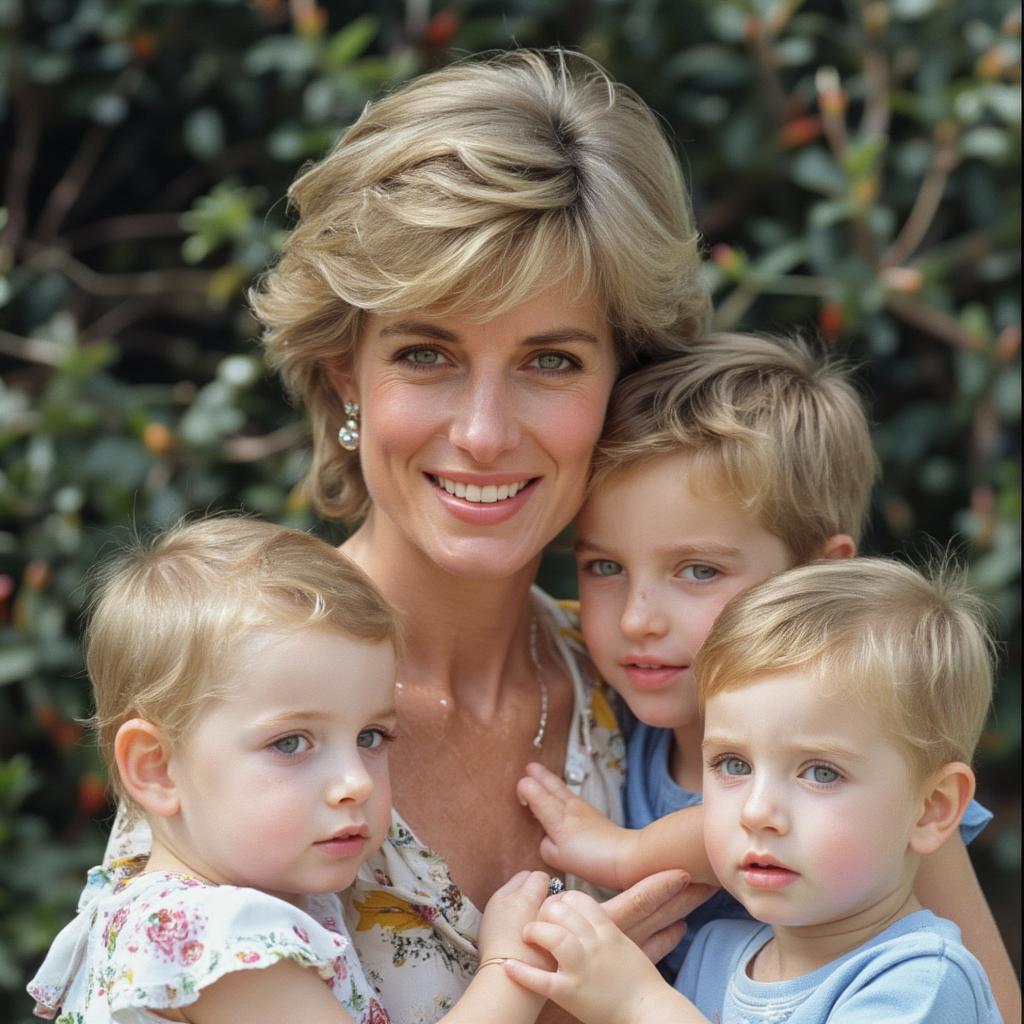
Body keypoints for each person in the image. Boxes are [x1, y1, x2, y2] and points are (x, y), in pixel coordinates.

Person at [99, 49, 715, 1024]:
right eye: (426, 352)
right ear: (347, 373)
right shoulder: (241, 712)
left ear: (618, 384)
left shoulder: (656, 687)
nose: (481, 431)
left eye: (549, 359)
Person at [516, 333, 1017, 1013]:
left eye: (698, 571)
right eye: (606, 566)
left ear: (820, 575)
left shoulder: (886, 776)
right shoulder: (607, 717)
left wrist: (630, 854)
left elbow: (991, 999)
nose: (638, 618)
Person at [28, 517, 554, 1024]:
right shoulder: (216, 941)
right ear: (157, 768)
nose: (357, 782)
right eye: (291, 742)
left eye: (371, 737)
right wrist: (509, 966)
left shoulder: (189, 904)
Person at [504, 558, 1003, 1023]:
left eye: (821, 773)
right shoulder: (715, 952)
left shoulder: (923, 981)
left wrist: (636, 1002)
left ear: (932, 809)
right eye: (732, 763)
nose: (758, 810)